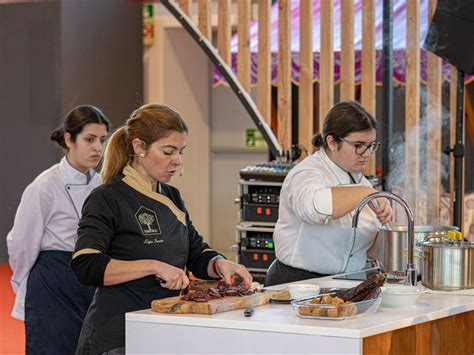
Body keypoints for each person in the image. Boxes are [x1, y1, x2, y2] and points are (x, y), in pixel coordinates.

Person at [71, 103, 252, 354]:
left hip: (161, 327)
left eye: (181, 151)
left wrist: (219, 264)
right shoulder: (108, 198)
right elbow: (86, 265)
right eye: (168, 151)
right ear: (139, 147)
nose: (177, 161)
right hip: (117, 335)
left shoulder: (171, 195)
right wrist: (154, 266)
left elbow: (195, 251)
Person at [6, 105, 110, 354]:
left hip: (92, 277)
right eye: (89, 139)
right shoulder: (45, 185)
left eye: (102, 140)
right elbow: (21, 242)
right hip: (53, 280)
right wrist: (24, 283)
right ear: (68, 139)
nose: (98, 147)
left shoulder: (103, 184)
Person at [265, 101, 392, 287]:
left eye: (372, 146)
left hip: (348, 284)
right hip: (298, 284)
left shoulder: (361, 182)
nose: (366, 153)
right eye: (359, 145)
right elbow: (314, 208)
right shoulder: (307, 172)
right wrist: (366, 193)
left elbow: (370, 252)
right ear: (332, 142)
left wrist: (385, 229)